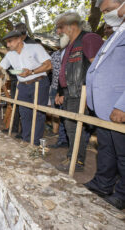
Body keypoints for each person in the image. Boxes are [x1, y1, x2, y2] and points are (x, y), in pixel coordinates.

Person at [84, 0, 125, 210]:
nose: (107, 15)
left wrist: (123, 105)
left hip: (118, 105)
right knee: (106, 148)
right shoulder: (116, 32)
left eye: (109, 10)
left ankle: (122, 195)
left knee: (123, 152)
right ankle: (102, 183)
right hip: (104, 105)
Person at [54, 12, 104, 172]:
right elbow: (65, 72)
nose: (57, 32)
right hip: (70, 92)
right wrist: (61, 91)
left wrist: (92, 93)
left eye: (59, 28)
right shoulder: (70, 45)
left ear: (72, 26)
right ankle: (73, 156)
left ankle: (77, 161)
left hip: (81, 92)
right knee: (70, 126)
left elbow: (99, 68)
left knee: (75, 127)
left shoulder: (89, 39)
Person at [0, 31, 52, 145]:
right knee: (24, 113)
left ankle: (35, 143)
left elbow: (49, 65)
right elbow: (1, 66)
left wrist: (32, 72)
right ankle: (26, 139)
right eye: (7, 43)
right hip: (23, 86)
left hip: (39, 83)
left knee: (39, 113)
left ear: (19, 39)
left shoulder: (35, 48)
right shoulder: (10, 55)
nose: (8, 45)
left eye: (10, 42)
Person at [49, 49, 69, 148]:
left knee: (68, 117)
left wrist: (62, 92)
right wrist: (58, 91)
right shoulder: (55, 54)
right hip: (57, 87)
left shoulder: (74, 51)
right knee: (59, 113)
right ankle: (62, 139)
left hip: (70, 89)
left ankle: (70, 142)